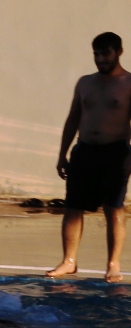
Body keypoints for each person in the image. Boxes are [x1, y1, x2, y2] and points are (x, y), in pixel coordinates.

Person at [46, 31, 131, 281]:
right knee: (73, 207)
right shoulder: (85, 83)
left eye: (105, 54)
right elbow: (73, 119)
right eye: (96, 54)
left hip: (115, 151)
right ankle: (68, 261)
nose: (100, 59)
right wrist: (62, 155)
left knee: (114, 208)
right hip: (84, 150)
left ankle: (113, 264)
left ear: (118, 53)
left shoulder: (128, 83)